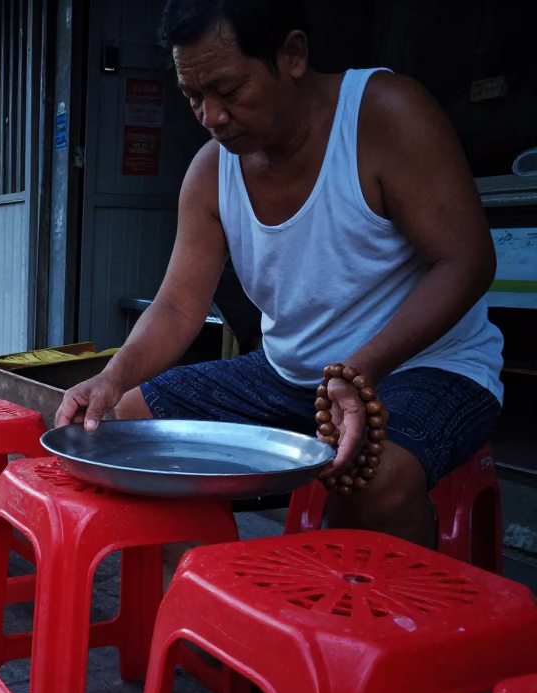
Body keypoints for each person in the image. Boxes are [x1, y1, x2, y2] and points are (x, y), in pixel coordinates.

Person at [55, 0, 503, 549]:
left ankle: (382, 627)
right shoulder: (210, 172)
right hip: (290, 377)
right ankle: (204, 612)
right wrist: (112, 376)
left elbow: (467, 261)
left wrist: (359, 370)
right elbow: (176, 307)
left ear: (292, 56)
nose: (211, 116)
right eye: (194, 96)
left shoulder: (382, 115)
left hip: (430, 368)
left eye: (229, 90)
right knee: (124, 425)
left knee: (373, 477)